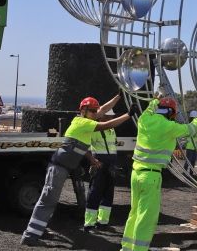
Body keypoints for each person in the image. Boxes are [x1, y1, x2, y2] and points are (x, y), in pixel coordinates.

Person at [21, 95, 130, 246]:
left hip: (62, 168)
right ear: (83, 111)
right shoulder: (82, 122)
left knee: (48, 201)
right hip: (59, 168)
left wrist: (118, 96)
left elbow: (102, 110)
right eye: (92, 111)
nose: (95, 113)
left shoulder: (85, 121)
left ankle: (38, 229)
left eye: (94, 111)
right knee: (47, 201)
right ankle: (30, 235)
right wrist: (128, 115)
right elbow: (106, 124)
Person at [120, 97, 197, 251]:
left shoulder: (144, 119)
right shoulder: (169, 126)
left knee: (134, 213)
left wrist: (155, 100)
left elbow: (149, 110)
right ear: (171, 113)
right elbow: (190, 130)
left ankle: (127, 248)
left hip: (136, 174)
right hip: (151, 176)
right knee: (146, 218)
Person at [84, 109, 119, 232]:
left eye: (112, 117)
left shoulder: (111, 129)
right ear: (102, 116)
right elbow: (85, 147)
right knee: (94, 194)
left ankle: (103, 222)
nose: (111, 118)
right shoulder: (94, 129)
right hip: (99, 165)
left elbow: (112, 147)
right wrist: (93, 161)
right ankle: (89, 224)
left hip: (111, 165)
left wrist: (114, 164)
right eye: (109, 116)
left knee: (108, 194)